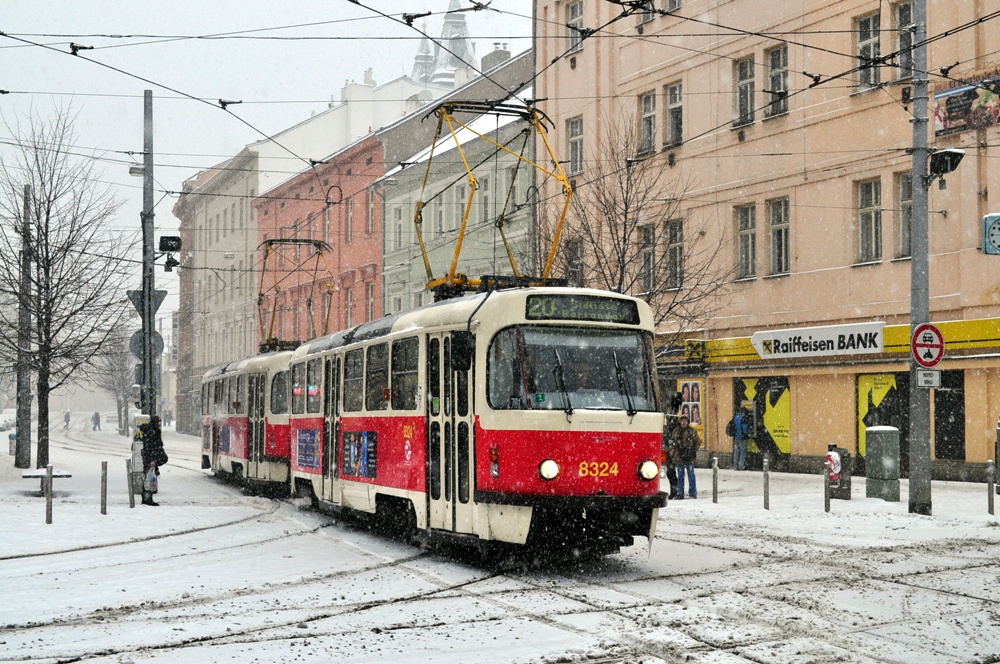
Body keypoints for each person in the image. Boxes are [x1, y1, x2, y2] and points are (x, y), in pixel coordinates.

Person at [670, 414, 701, 499]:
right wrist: (672, 450)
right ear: (680, 422)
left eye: (685, 421)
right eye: (682, 421)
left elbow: (697, 442)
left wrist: (692, 450)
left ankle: (693, 493)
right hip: (678, 457)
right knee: (680, 476)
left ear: (688, 422)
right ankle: (680, 494)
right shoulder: (676, 431)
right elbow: (672, 442)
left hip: (689, 457)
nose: (684, 423)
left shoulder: (692, 431)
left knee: (691, 475)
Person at [140, 416, 168, 507]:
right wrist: (152, 460)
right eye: (158, 422)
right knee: (149, 479)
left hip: (149, 458)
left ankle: (146, 498)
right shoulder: (152, 431)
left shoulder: (149, 430)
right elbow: (151, 446)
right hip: (151, 458)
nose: (159, 424)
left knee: (149, 478)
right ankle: (147, 499)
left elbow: (150, 446)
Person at [733, 406, 753, 471]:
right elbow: (745, 428)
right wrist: (749, 432)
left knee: (736, 452)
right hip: (742, 437)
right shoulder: (743, 418)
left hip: (736, 437)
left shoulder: (736, 417)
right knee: (742, 452)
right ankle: (741, 466)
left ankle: (735, 466)